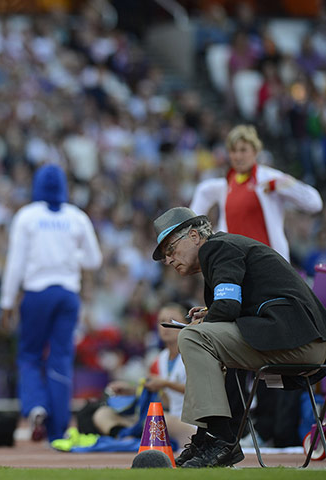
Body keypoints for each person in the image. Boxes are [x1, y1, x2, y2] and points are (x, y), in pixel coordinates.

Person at [152, 206, 326, 468]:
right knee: (208, 342)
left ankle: (220, 439)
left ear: (194, 237)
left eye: (170, 249)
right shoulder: (224, 249)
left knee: (192, 337)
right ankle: (211, 439)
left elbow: (229, 308)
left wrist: (210, 318)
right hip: (295, 338)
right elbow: (241, 305)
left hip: (297, 340)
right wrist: (212, 313)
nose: (168, 260)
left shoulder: (217, 248)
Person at [0, 163, 103, 443]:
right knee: (61, 359)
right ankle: (57, 430)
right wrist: (69, 258)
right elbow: (94, 260)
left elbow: (15, 263)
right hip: (68, 294)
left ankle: (35, 406)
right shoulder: (77, 216)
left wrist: (7, 302)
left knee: (30, 356)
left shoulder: (27, 216)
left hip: (36, 293)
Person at [190, 124, 322, 263]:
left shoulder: (269, 178)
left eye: (243, 150)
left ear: (255, 151)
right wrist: (200, 236)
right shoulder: (225, 184)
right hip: (236, 265)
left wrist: (283, 185)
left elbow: (315, 204)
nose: (238, 156)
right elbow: (202, 192)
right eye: (233, 151)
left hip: (268, 262)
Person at [91, 303, 196, 447]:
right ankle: (124, 437)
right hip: (169, 417)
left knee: (157, 419)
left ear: (186, 324)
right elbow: (164, 398)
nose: (166, 325)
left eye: (172, 320)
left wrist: (165, 383)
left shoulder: (194, 354)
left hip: (188, 422)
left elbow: (199, 392)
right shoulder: (160, 359)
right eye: (162, 321)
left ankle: (133, 439)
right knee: (102, 414)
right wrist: (133, 390)